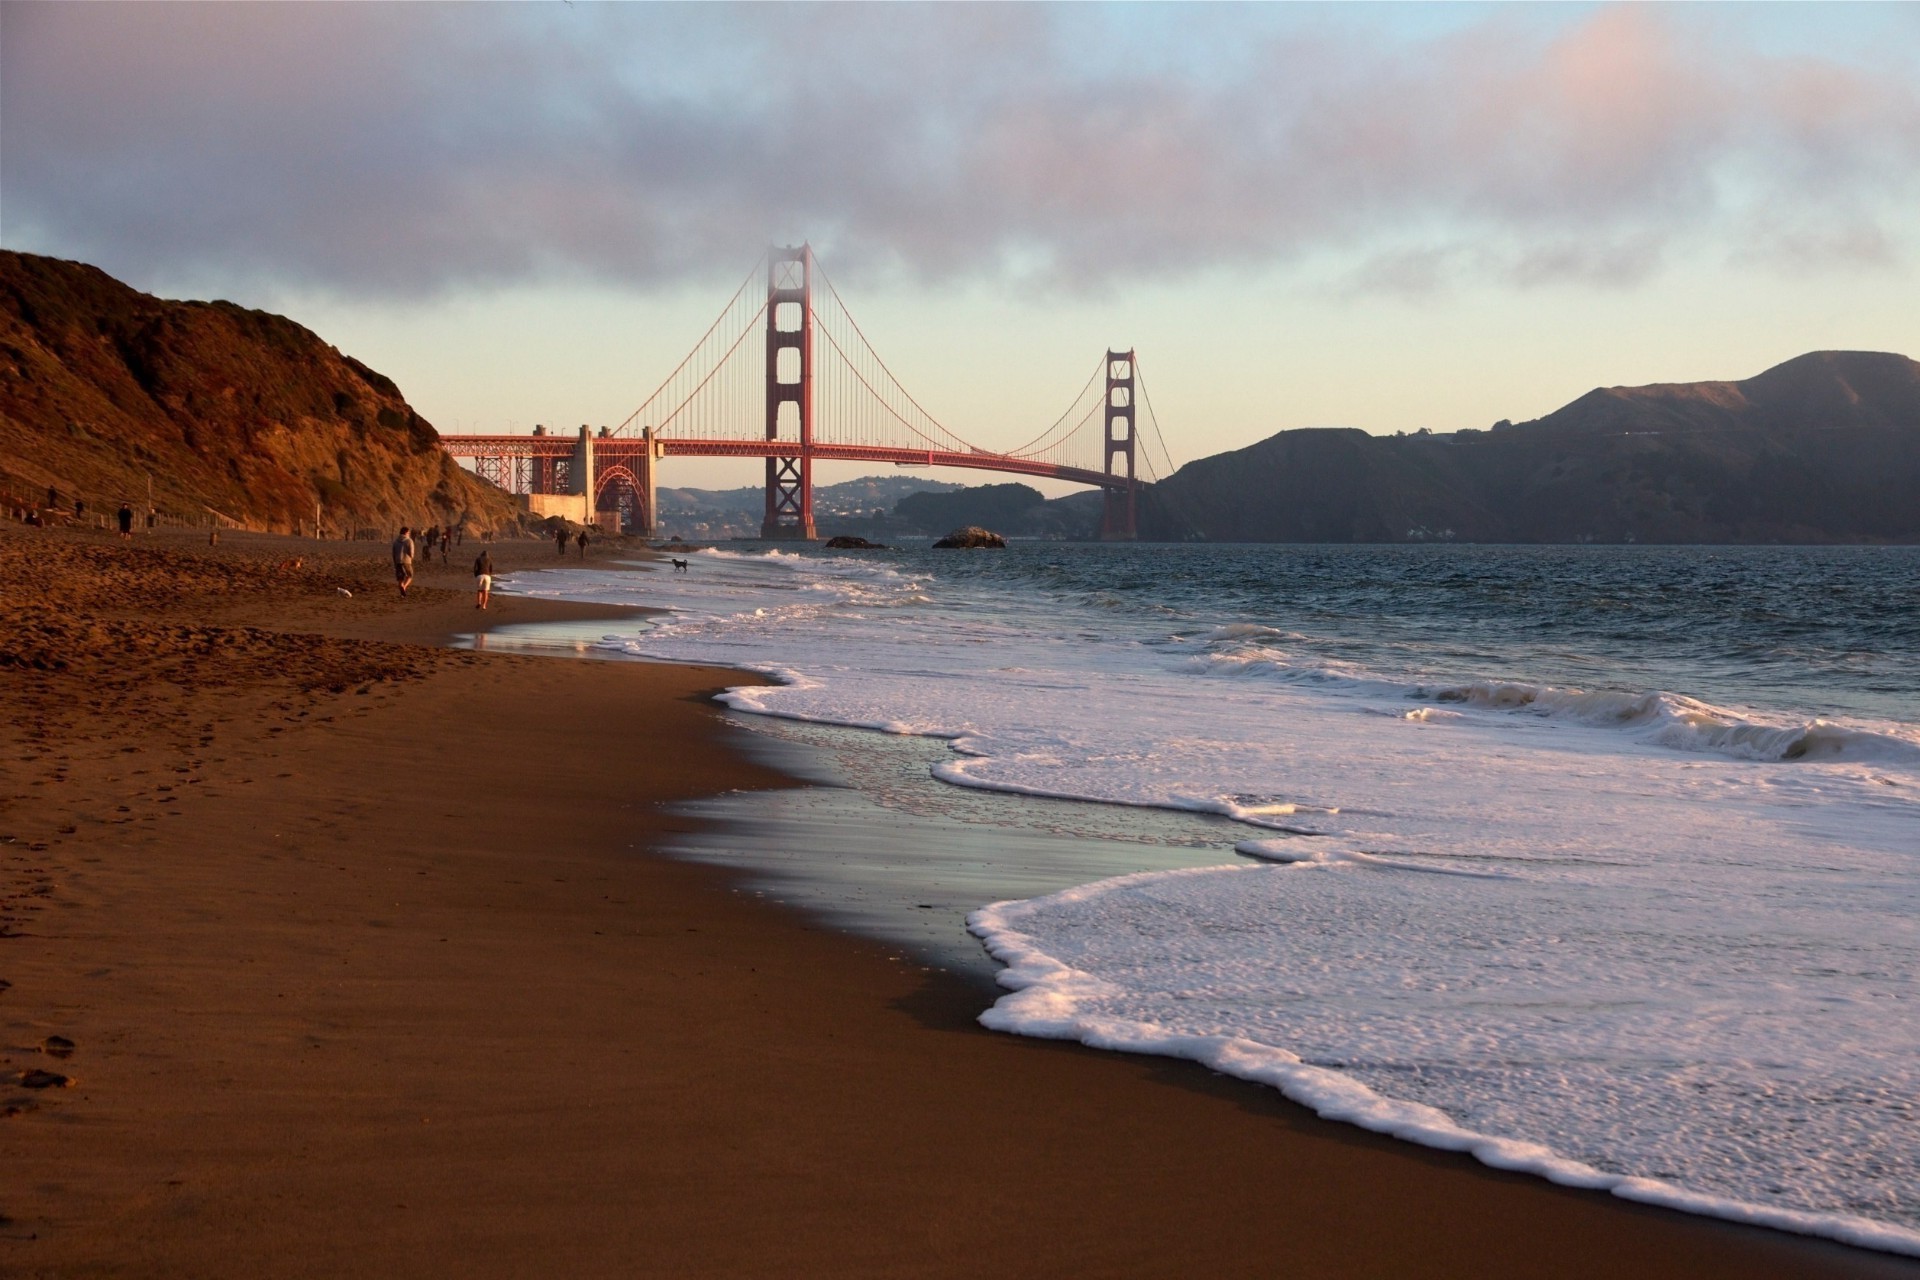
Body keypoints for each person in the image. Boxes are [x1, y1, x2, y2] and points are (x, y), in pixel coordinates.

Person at [391, 525, 415, 598]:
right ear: (406, 533)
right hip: (406, 561)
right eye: (408, 532)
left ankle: (402, 593)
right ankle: (404, 587)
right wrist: (411, 557)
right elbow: (411, 552)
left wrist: (395, 562)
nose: (409, 534)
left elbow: (393, 553)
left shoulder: (395, 541)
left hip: (398, 561)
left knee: (400, 578)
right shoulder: (409, 540)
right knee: (410, 575)